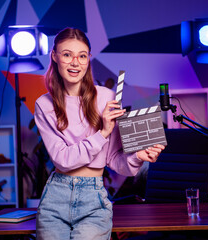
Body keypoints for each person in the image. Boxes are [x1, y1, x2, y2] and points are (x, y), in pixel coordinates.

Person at [34, 27, 165, 240]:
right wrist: (102, 132)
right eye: (67, 54)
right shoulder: (44, 105)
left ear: (88, 59)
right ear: (55, 57)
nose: (75, 62)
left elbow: (113, 159)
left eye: (82, 56)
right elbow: (63, 159)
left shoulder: (107, 97)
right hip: (55, 199)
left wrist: (137, 157)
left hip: (93, 198)